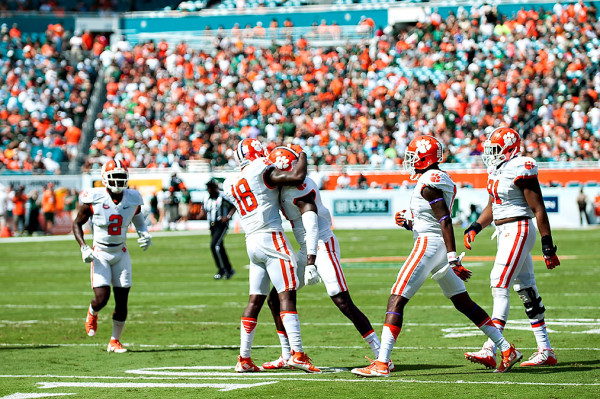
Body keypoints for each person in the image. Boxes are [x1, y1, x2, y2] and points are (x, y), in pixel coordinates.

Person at [351, 135, 521, 378]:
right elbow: (432, 219)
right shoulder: (436, 178)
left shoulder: (429, 181)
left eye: (413, 156)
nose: (409, 161)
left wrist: (453, 257)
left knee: (396, 298)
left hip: (430, 245)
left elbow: (444, 220)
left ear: (424, 157)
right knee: (463, 302)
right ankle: (506, 349)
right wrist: (411, 222)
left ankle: (382, 362)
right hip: (436, 243)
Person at [262, 147, 387, 370]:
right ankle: (286, 353)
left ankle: (381, 355)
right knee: (276, 297)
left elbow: (311, 228)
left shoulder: (300, 188)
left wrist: (310, 262)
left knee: (341, 300)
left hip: (321, 245)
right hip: (307, 247)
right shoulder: (287, 184)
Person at [464, 127, 559, 368]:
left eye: (496, 149)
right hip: (505, 231)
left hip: (518, 229)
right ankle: (545, 349)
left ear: (510, 148)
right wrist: (475, 226)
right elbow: (492, 207)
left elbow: (538, 208)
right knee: (526, 289)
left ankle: (491, 348)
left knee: (499, 282)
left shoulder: (521, 165)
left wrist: (547, 246)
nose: (491, 154)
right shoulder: (496, 169)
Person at [222, 138, 320, 373]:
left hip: (251, 242)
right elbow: (296, 178)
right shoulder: (260, 170)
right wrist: (302, 153)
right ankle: (297, 353)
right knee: (287, 296)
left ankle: (244, 358)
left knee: (255, 300)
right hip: (272, 237)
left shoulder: (230, 181)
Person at [72, 159, 152, 353]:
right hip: (100, 252)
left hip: (121, 252)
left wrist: (145, 233)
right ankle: (93, 312)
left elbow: (139, 221)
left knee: (122, 300)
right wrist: (83, 247)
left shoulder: (132, 198)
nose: (117, 181)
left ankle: (114, 340)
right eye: (114, 177)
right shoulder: (95, 197)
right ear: (104, 179)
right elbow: (77, 224)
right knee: (102, 298)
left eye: (121, 177)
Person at [199, 179, 236, 280]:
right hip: (212, 225)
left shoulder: (222, 196)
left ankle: (221, 269)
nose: (209, 189)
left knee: (215, 245)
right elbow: (204, 208)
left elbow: (234, 205)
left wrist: (228, 216)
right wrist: (202, 214)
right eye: (208, 187)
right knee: (220, 247)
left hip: (221, 224)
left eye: (210, 187)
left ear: (215, 187)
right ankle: (228, 269)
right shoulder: (206, 197)